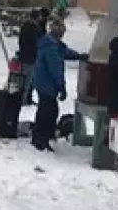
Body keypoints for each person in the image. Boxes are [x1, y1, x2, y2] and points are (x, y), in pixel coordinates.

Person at [30, 16, 87, 151]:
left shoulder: (51, 43)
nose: (63, 34)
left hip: (41, 81)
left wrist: (78, 56)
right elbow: (55, 69)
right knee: (48, 112)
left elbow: (64, 51)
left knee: (46, 110)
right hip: (47, 84)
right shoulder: (51, 46)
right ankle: (41, 139)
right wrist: (62, 87)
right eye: (62, 31)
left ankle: (40, 136)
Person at [16, 8, 46, 105]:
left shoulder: (24, 26)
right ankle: (24, 100)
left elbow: (20, 40)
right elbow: (39, 43)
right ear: (38, 17)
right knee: (29, 81)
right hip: (32, 58)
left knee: (21, 79)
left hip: (23, 55)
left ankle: (17, 97)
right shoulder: (37, 29)